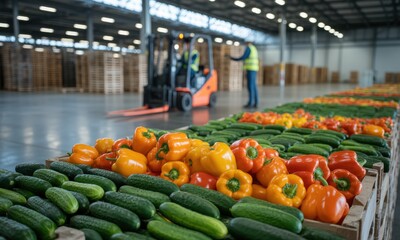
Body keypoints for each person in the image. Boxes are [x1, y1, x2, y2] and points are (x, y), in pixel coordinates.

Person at [228, 41, 259, 108]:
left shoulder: (249, 48)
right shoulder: (254, 48)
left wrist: (232, 58)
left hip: (250, 69)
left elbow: (243, 57)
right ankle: (256, 102)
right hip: (254, 69)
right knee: (254, 86)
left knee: (250, 86)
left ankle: (250, 103)